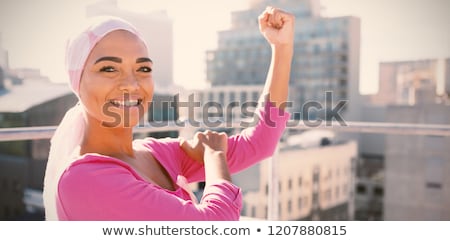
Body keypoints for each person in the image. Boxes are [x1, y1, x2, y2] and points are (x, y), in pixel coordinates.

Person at [43, 6, 295, 221]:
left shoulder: (156, 153)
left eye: (143, 69)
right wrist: (215, 155)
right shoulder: (83, 180)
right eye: (109, 68)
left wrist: (281, 48)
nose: (132, 84)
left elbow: (260, 143)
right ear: (77, 81)